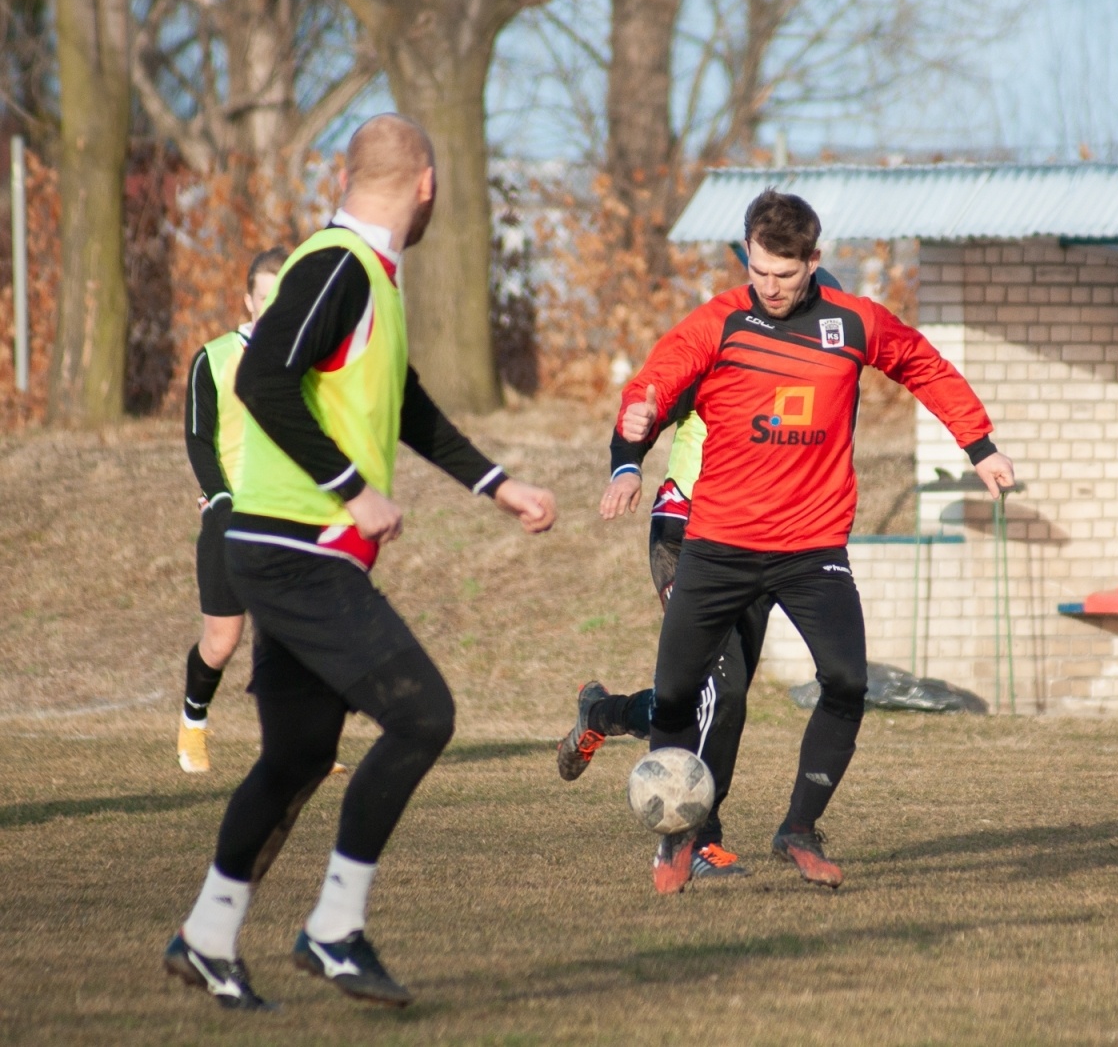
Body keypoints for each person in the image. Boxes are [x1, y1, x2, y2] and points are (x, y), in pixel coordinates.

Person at [164, 113, 557, 1012]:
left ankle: (206, 938)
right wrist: (351, 488)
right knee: (422, 716)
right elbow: (262, 379)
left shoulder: (372, 276)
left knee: (298, 756)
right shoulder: (336, 264)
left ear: (349, 176)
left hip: (299, 551)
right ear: (426, 185)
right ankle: (334, 929)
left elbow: (403, 404)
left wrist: (497, 486)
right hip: (292, 550)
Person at [617, 189, 1013, 893]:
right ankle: (679, 835)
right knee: (677, 696)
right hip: (719, 544)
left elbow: (924, 365)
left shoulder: (853, 322)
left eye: (785, 273)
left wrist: (979, 445)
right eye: (758, 271)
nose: (770, 287)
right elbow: (654, 383)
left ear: (814, 260)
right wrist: (630, 446)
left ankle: (798, 828)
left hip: (811, 548)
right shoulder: (719, 321)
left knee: (847, 681)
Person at [558, 269, 846, 882]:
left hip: (767, 543)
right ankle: (696, 837)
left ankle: (603, 714)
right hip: (686, 533)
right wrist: (626, 466)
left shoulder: (827, 371)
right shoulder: (729, 345)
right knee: (725, 690)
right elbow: (650, 404)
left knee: (698, 694)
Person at [178, 248, 286, 773]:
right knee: (222, 642)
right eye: (266, 297)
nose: (274, 306)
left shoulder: (310, 361)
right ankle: (193, 723)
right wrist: (219, 498)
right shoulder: (215, 358)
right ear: (248, 300)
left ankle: (297, 746)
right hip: (230, 516)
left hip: (289, 516)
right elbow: (199, 438)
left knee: (290, 636)